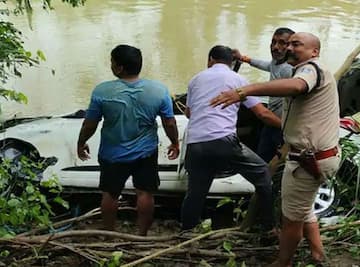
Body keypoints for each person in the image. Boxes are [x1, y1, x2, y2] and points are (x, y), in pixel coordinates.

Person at [210, 33, 341, 266]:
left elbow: (297, 86)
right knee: (303, 208)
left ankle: (283, 262)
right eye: (287, 44)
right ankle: (318, 255)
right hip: (314, 155)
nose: (289, 48)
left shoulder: (311, 69)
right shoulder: (302, 68)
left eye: (296, 44)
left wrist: (244, 91)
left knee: (290, 218)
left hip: (308, 159)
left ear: (314, 51)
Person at [77, 44, 180, 236]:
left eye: (112, 62)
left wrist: (81, 142)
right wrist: (174, 142)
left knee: (110, 193)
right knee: (145, 193)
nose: (111, 66)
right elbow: (170, 122)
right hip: (146, 152)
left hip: (112, 154)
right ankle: (141, 235)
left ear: (119, 68)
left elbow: (90, 123)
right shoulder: (159, 90)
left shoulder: (102, 91)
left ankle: (109, 233)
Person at [181, 45, 281, 231]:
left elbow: (189, 113)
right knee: (263, 175)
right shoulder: (238, 79)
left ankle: (187, 232)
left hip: (195, 144)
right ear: (232, 62)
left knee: (195, 193)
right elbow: (262, 114)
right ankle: (267, 226)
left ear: (210, 59)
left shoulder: (196, 79)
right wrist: (287, 127)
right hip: (223, 142)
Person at [233, 27, 294, 163]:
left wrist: (246, 91)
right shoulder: (276, 63)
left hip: (282, 127)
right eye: (273, 42)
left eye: (282, 43)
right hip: (271, 122)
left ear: (290, 47)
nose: (275, 47)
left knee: (270, 160)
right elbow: (266, 65)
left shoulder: (289, 70)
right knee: (262, 156)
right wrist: (243, 58)